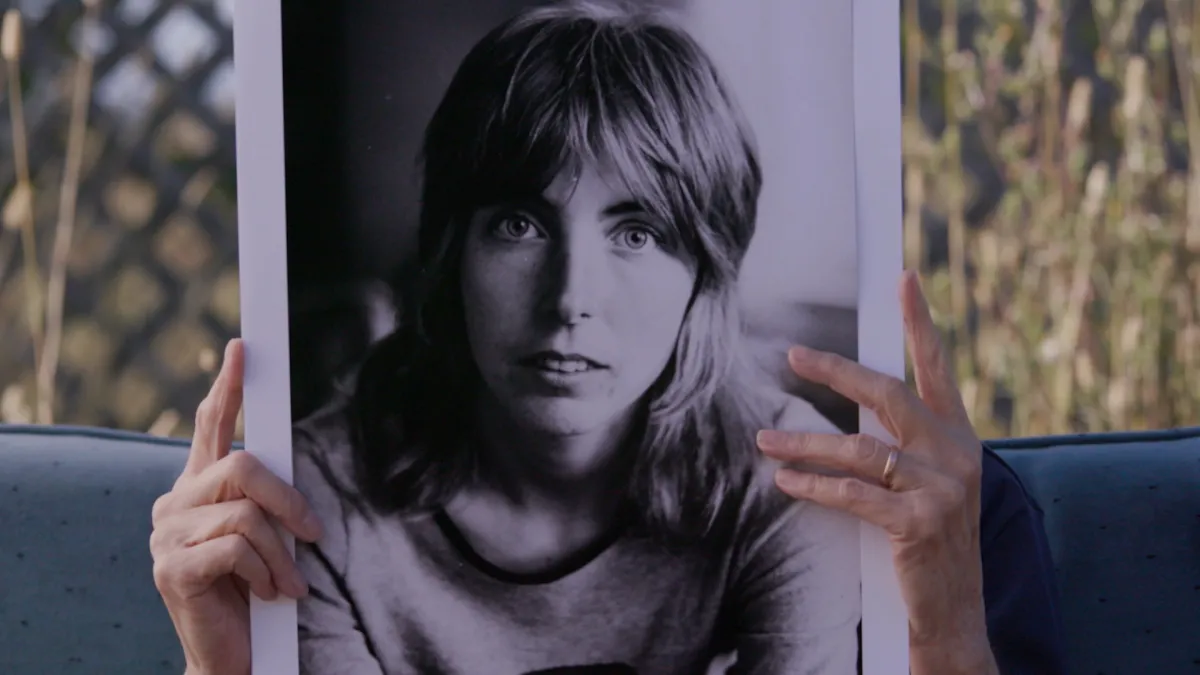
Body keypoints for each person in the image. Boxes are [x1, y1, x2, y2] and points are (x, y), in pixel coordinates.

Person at [149, 4, 1067, 675]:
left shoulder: (790, 486)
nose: (570, 299)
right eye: (519, 225)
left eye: (637, 233)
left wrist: (947, 635)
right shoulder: (315, 502)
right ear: (450, 250)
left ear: (705, 270)